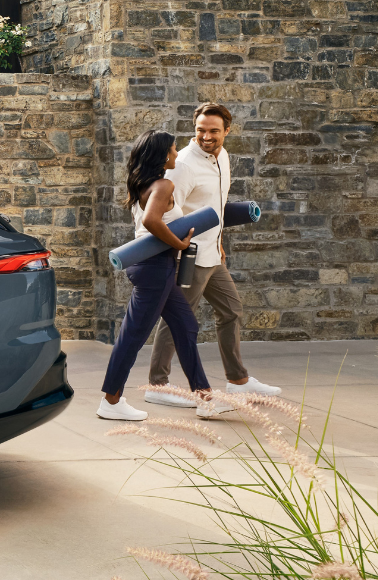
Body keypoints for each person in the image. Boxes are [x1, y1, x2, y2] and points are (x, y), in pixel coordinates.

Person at [142, 102, 281, 409]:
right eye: (200, 130)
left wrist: (218, 241)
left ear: (227, 131)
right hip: (188, 257)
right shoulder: (184, 165)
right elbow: (166, 212)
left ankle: (237, 381)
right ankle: (156, 384)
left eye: (213, 131)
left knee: (231, 310)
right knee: (178, 320)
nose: (206, 137)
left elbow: (216, 205)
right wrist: (175, 253)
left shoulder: (223, 157)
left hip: (212, 254)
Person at [98, 130, 235, 421]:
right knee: (133, 336)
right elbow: (150, 222)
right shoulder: (163, 185)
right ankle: (110, 401)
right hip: (154, 268)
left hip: (153, 266)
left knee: (186, 326)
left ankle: (205, 397)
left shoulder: (143, 183)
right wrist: (180, 244)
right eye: (173, 150)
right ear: (162, 156)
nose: (176, 155)